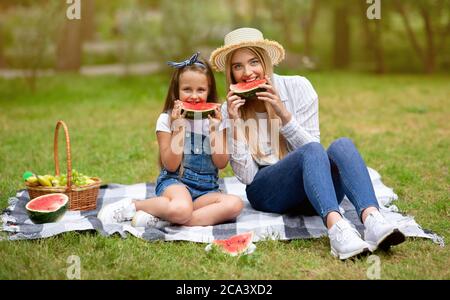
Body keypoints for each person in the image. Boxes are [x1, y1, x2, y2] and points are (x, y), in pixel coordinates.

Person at [210, 28, 405, 260]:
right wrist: (235, 122)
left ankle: (372, 220)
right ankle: (336, 229)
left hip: (314, 192)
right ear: (230, 73)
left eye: (254, 62)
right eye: (238, 66)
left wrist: (284, 115)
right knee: (311, 150)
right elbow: (248, 178)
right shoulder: (228, 109)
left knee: (341, 145)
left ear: (265, 61)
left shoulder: (299, 88)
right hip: (268, 192)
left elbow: (316, 155)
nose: (247, 72)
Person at [98, 53, 243, 228]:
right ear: (176, 90)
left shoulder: (216, 120)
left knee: (235, 204)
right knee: (181, 208)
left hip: (206, 190)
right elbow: (171, 165)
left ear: (209, 90)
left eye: (201, 90)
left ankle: (166, 219)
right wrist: (179, 127)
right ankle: (134, 205)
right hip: (176, 183)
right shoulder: (166, 120)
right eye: (187, 89)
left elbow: (221, 163)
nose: (194, 96)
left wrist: (213, 129)